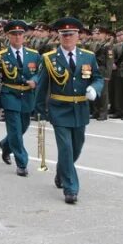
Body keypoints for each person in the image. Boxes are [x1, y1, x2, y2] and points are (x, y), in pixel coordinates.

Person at [35, 17, 104, 204]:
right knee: (65, 148)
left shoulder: (88, 56)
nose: (67, 38)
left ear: (78, 36)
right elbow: (41, 86)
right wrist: (40, 110)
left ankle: (61, 172)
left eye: (71, 34)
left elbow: (98, 78)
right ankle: (70, 188)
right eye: (64, 34)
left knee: (76, 147)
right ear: (59, 36)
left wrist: (94, 89)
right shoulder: (49, 58)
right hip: (59, 109)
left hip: (80, 108)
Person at [0, 20, 42, 176]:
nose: (18, 37)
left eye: (20, 34)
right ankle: (22, 163)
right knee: (15, 130)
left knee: (23, 127)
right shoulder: (0, 56)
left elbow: (40, 73)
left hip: (27, 96)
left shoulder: (34, 55)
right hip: (10, 95)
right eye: (14, 34)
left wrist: (35, 81)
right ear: (8, 36)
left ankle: (5, 145)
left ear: (24, 36)